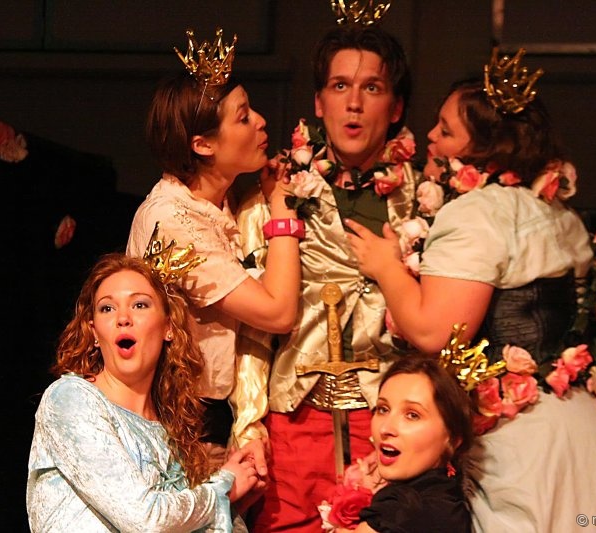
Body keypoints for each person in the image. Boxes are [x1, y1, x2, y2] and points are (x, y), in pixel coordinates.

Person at [346, 49, 596, 532]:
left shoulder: (478, 212)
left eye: (446, 130)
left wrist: (387, 268)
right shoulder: (557, 211)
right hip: (590, 426)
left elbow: (437, 333)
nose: (430, 137)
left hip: (530, 441)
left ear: (484, 151)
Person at [232, 8, 418, 532]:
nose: (353, 103)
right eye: (340, 86)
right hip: (293, 419)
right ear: (319, 102)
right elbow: (251, 327)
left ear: (396, 106)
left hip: (391, 424)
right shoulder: (276, 193)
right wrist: (249, 425)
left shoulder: (426, 198)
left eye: (371, 88)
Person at [125, 29, 301, 476]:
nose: (260, 121)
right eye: (243, 117)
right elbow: (278, 311)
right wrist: (283, 212)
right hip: (181, 429)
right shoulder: (173, 219)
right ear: (203, 145)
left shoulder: (222, 205)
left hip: (216, 418)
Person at [26, 253, 261, 532]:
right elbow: (145, 519)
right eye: (107, 308)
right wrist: (223, 488)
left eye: (139, 305)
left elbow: (180, 518)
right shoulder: (71, 399)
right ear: (94, 332)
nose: (123, 318)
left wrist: (233, 508)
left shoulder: (173, 439)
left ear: (168, 328)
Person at [326, 356, 473, 533]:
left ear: (453, 438)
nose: (385, 428)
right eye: (383, 409)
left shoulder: (403, 509)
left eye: (412, 415)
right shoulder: (450, 503)